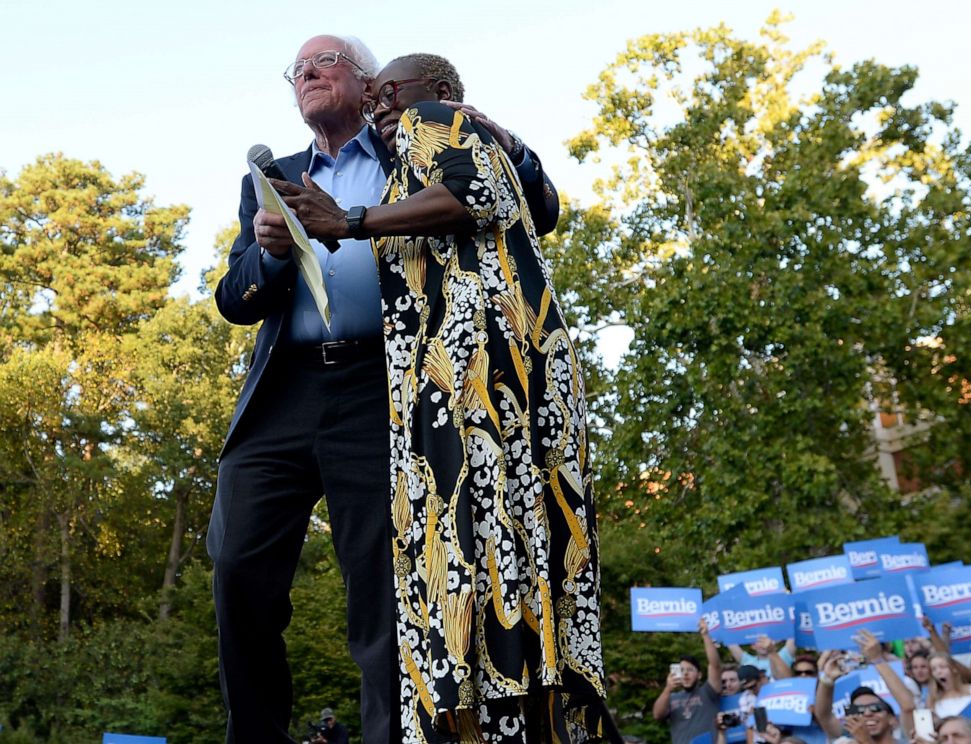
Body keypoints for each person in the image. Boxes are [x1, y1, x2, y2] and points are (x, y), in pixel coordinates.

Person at [210, 36, 559, 744]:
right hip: (285, 392)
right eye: (296, 69)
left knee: (383, 585)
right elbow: (235, 298)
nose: (306, 73)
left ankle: (390, 735)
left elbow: (532, 206)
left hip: (385, 387)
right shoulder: (271, 177)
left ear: (368, 85)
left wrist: (507, 140)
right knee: (236, 565)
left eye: (325, 60)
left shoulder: (413, 141)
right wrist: (271, 255)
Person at [274, 52, 611, 742]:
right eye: (377, 99)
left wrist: (353, 220)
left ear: (444, 91)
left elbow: (478, 196)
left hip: (490, 379)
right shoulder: (417, 163)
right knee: (486, 552)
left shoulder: (437, 123)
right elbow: (525, 202)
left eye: (391, 91)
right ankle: (512, 713)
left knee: (487, 546)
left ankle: (507, 712)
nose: (382, 105)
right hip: (458, 388)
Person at [652, 620, 723, 744]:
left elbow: (715, 665)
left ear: (699, 675)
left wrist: (706, 635)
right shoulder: (672, 697)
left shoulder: (708, 692)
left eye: (690, 670)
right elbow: (657, 714)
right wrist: (667, 689)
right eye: (682, 670)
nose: (685, 673)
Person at [927, 652, 971, 719]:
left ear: (954, 669)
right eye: (933, 669)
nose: (938, 672)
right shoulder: (932, 699)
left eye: (942, 667)